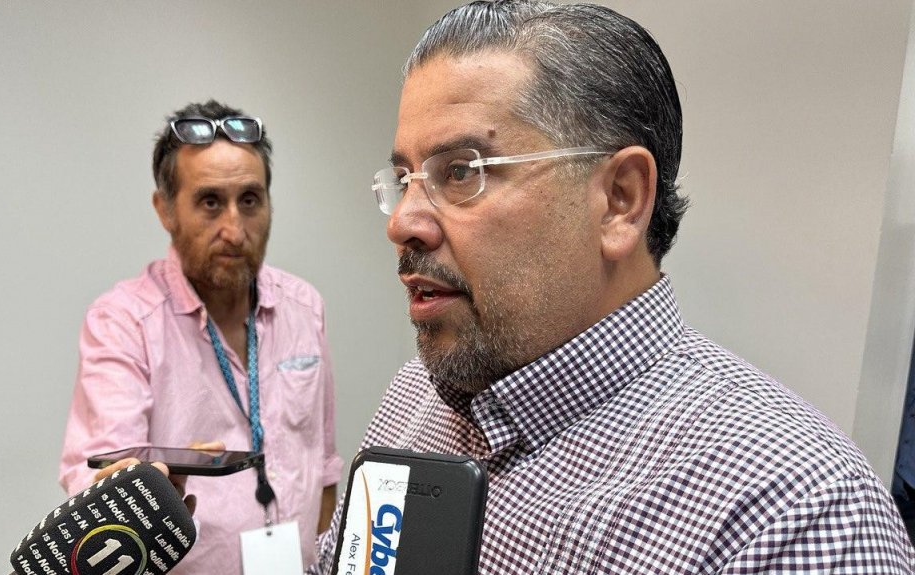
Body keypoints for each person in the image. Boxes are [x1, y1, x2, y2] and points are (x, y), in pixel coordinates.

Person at [307, 1, 915, 573]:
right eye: (404, 179)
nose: (401, 222)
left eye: (461, 172)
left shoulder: (793, 513)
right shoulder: (415, 397)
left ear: (620, 200)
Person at [59, 100, 342, 574]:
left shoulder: (304, 307)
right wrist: (141, 489)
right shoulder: (123, 323)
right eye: (210, 202)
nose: (234, 230)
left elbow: (325, 467)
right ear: (165, 210)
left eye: (249, 200)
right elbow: (102, 483)